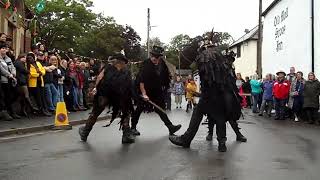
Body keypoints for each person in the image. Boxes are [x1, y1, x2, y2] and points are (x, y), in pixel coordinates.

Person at [169, 40, 242, 152]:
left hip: (209, 96)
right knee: (220, 117)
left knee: (197, 113)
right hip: (222, 96)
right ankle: (222, 144)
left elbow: (208, 80)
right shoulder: (223, 61)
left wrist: (202, 94)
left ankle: (186, 140)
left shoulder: (204, 58)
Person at [79, 53, 135, 144]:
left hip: (108, 95)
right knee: (125, 113)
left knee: (96, 113)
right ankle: (126, 135)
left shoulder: (109, 68)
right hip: (109, 95)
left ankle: (85, 132)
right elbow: (130, 84)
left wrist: (95, 88)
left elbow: (99, 78)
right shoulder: (124, 71)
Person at [130, 46, 181, 136]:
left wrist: (165, 88)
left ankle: (170, 127)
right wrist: (144, 94)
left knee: (160, 109)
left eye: (156, 56)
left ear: (160, 57)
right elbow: (141, 80)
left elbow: (165, 79)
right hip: (145, 91)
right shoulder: (146, 64)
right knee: (139, 109)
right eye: (152, 55)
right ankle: (133, 128)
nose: (154, 58)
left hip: (156, 92)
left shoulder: (162, 65)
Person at [0, 41, 20, 119]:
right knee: (4, 96)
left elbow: (13, 67)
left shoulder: (8, 58)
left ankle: (10, 111)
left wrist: (13, 73)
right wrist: (9, 75)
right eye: (2, 48)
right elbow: (1, 69)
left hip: (11, 80)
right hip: (3, 80)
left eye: (5, 48)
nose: (4, 50)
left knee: (14, 94)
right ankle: (5, 112)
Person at [28, 52, 51, 116]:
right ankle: (40, 110)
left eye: (32, 57)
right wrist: (39, 74)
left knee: (42, 97)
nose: (31, 58)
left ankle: (44, 109)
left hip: (40, 82)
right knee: (38, 97)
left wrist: (40, 73)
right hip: (33, 84)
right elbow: (32, 74)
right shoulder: (28, 65)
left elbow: (43, 71)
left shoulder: (38, 63)